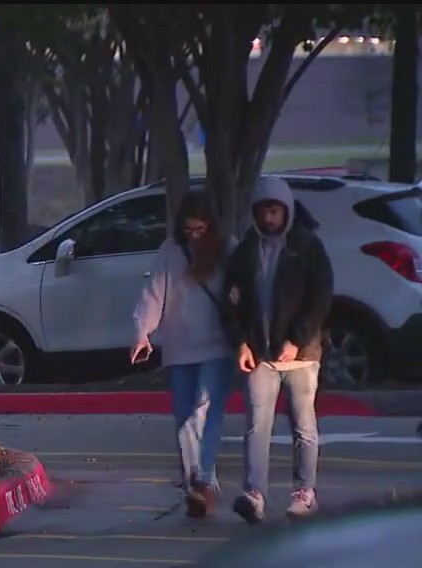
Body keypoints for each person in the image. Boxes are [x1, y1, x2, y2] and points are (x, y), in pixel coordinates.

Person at [223, 176, 334, 523]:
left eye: (275, 211)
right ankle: (254, 494)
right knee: (257, 427)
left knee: (304, 426)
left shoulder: (307, 247)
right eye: (263, 212)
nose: (269, 218)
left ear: (286, 210)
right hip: (260, 354)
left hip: (301, 356)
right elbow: (231, 301)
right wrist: (241, 341)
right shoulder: (246, 251)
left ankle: (304, 492)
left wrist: (296, 339)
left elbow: (321, 298)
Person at [131, 191, 236, 517]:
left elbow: (242, 294)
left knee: (205, 410)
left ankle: (203, 479)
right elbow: (154, 294)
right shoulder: (170, 250)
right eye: (189, 230)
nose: (194, 237)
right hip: (179, 346)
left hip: (218, 344)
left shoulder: (227, 249)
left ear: (211, 227)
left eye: (200, 230)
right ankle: (195, 481)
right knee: (184, 416)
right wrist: (142, 332)